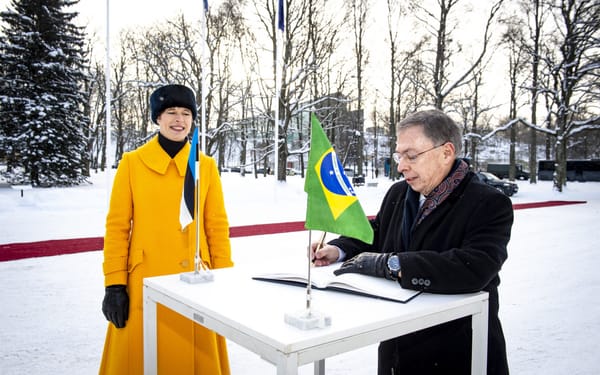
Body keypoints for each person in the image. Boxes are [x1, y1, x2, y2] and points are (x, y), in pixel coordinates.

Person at [311, 109, 512, 375]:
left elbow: (475, 267)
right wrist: (338, 249)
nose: (401, 165)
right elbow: (376, 232)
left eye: (411, 156)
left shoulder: (488, 203)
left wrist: (392, 264)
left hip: (457, 354)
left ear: (446, 152)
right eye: (399, 155)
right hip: (397, 351)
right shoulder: (399, 192)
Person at [100, 84, 233, 375]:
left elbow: (217, 227)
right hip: (143, 284)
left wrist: (226, 278)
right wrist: (114, 284)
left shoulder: (206, 166)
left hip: (198, 281)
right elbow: (117, 228)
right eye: (171, 111)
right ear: (157, 118)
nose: (179, 119)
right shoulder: (132, 164)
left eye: (186, 113)